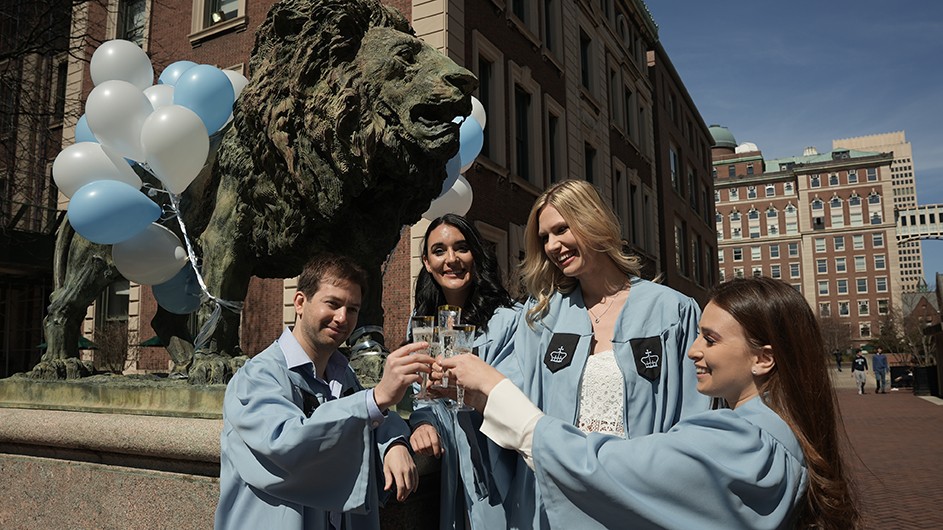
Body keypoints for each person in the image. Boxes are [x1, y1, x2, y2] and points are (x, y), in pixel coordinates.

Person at [439, 276, 860, 529]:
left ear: (763, 357)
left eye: (710, 339)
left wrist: (498, 395)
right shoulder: (767, 431)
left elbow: (606, 470)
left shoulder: (743, 446)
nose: (692, 350)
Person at [484, 180, 709, 528]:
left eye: (561, 230)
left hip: (637, 501)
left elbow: (694, 419)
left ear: (592, 220)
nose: (553, 246)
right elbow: (508, 399)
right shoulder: (541, 318)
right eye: (544, 238)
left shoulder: (671, 312)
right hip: (558, 502)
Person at [215, 253, 434, 530]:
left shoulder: (344, 374)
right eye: (332, 303)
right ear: (300, 303)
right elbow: (285, 443)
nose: (342, 318)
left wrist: (394, 443)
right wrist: (376, 398)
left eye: (352, 309)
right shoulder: (257, 375)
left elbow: (374, 418)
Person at [407, 213, 519, 530]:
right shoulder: (424, 322)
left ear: (476, 255)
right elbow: (424, 397)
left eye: (461, 248)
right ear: (427, 263)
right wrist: (423, 422)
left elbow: (517, 399)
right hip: (454, 478)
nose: (452, 259)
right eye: (439, 251)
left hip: (500, 474)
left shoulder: (508, 321)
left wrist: (471, 393)